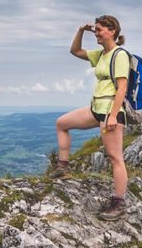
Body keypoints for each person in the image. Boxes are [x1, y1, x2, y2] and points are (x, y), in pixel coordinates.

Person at [49, 14, 130, 221]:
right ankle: (63, 167)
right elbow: (75, 51)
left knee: (115, 157)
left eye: (100, 30)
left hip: (111, 111)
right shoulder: (101, 54)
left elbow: (122, 87)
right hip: (96, 108)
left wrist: (113, 116)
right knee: (62, 123)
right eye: (95, 30)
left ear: (112, 31)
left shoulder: (119, 54)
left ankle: (119, 203)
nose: (97, 34)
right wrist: (80, 30)